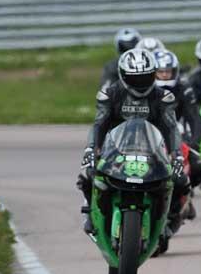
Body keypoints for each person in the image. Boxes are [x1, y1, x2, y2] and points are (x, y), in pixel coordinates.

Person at [77, 48, 190, 234]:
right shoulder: (110, 95)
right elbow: (99, 124)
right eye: (134, 78)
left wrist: (177, 154)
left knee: (180, 180)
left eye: (145, 77)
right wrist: (91, 148)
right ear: (122, 75)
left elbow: (171, 128)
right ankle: (91, 212)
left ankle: (172, 216)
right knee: (89, 174)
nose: (140, 83)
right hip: (115, 152)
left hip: (152, 152)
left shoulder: (163, 97)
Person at [154, 49, 201, 189]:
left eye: (168, 71)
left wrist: (194, 144)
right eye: (160, 71)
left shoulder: (183, 89)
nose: (165, 75)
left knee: (198, 167)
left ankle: (185, 194)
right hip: (149, 137)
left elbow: (195, 118)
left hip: (176, 135)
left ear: (175, 71)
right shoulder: (145, 89)